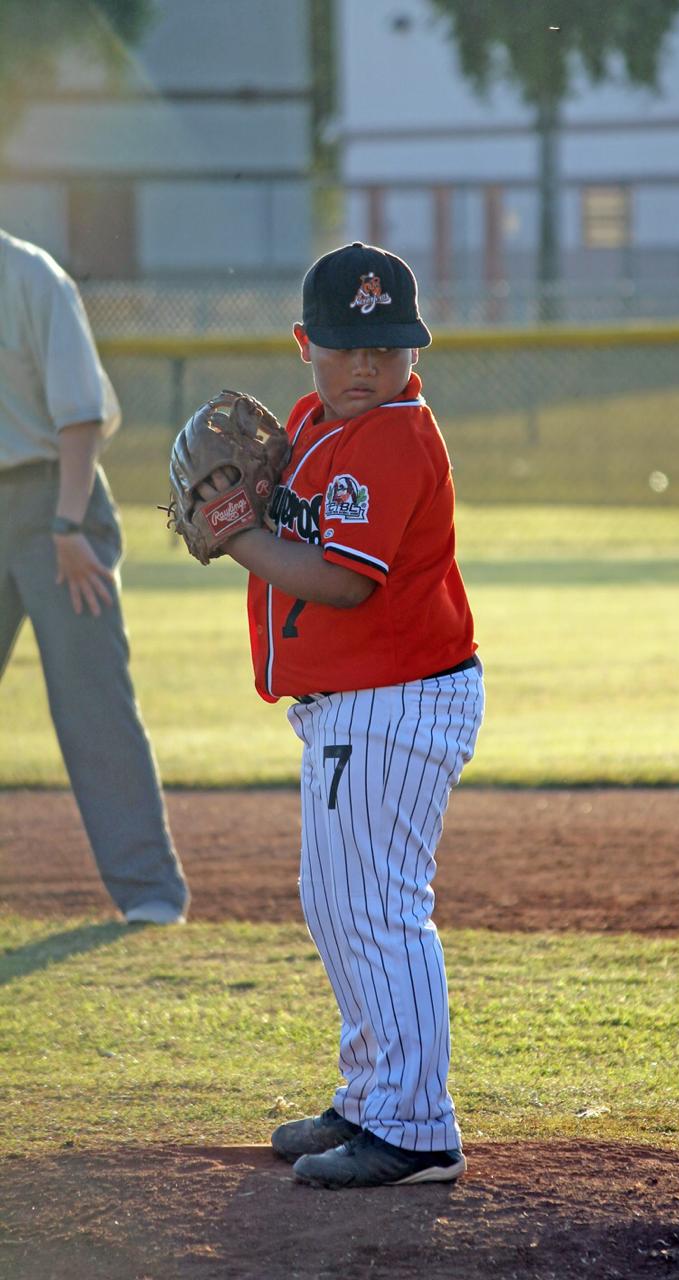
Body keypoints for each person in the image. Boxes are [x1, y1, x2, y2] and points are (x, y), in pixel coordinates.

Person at [198, 241, 484, 1188]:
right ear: (305, 345)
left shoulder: (394, 437)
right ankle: (371, 1097)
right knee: (338, 905)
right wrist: (257, 504)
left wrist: (238, 534)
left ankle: (414, 1127)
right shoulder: (316, 421)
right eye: (349, 347)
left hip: (394, 699)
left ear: (415, 351)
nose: (369, 366)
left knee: (376, 909)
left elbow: (339, 584)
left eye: (388, 348)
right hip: (360, 703)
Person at [0, 228, 189, 926]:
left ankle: (149, 891)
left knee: (91, 707)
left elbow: (78, 417)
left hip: (56, 500)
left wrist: (69, 526)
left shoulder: (31, 277)